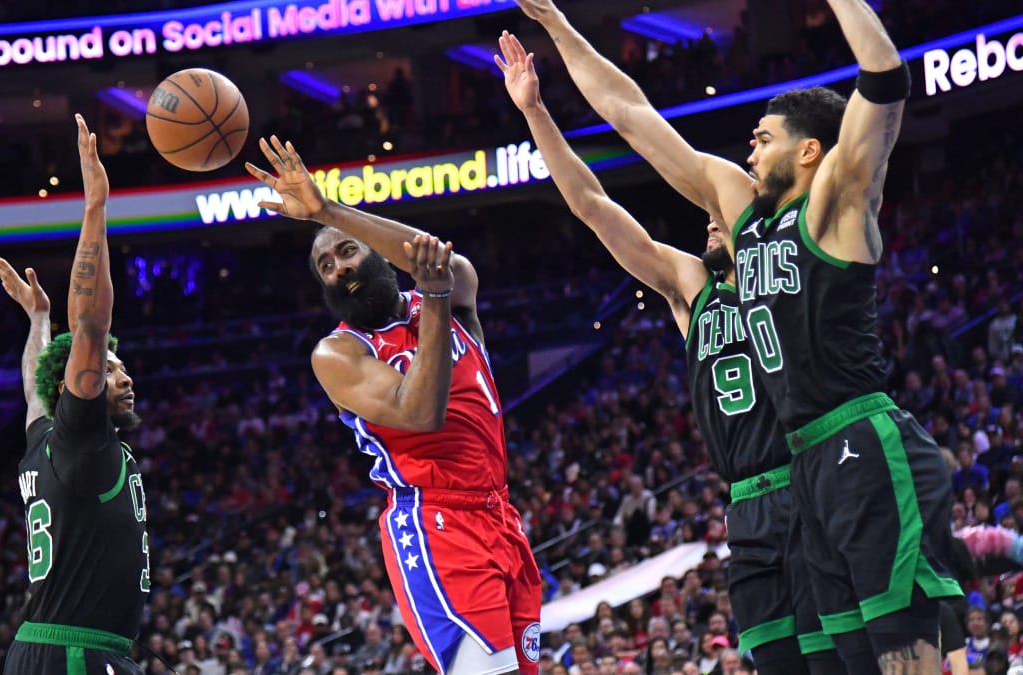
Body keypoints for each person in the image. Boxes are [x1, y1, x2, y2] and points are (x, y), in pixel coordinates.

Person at [510, 0, 962, 671]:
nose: (748, 152)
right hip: (801, 467)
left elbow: (884, 77)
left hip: (857, 438)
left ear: (808, 151)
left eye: (762, 139)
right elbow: (630, 115)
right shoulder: (738, 225)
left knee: (905, 653)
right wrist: (556, 25)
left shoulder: (834, 203)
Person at [494, 31, 841, 675]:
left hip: (808, 480)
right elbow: (593, 207)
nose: (708, 222)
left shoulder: (784, 268)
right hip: (746, 504)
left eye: (717, 216)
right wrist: (535, 112)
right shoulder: (691, 287)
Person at [245, 135, 542, 675]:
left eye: (347, 251)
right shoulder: (338, 352)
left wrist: (326, 211)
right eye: (325, 265)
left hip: (501, 514)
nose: (338, 268)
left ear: (378, 253)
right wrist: (434, 298)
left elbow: (445, 266)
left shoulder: (452, 297)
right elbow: (420, 414)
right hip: (435, 523)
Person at [0, 114, 150, 675]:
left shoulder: (47, 440)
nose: (124, 378)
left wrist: (38, 318)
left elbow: (35, 391)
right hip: (73, 652)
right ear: (76, 388)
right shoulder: (82, 435)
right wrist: (95, 207)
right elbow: (89, 323)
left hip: (63, 647)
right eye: (108, 370)